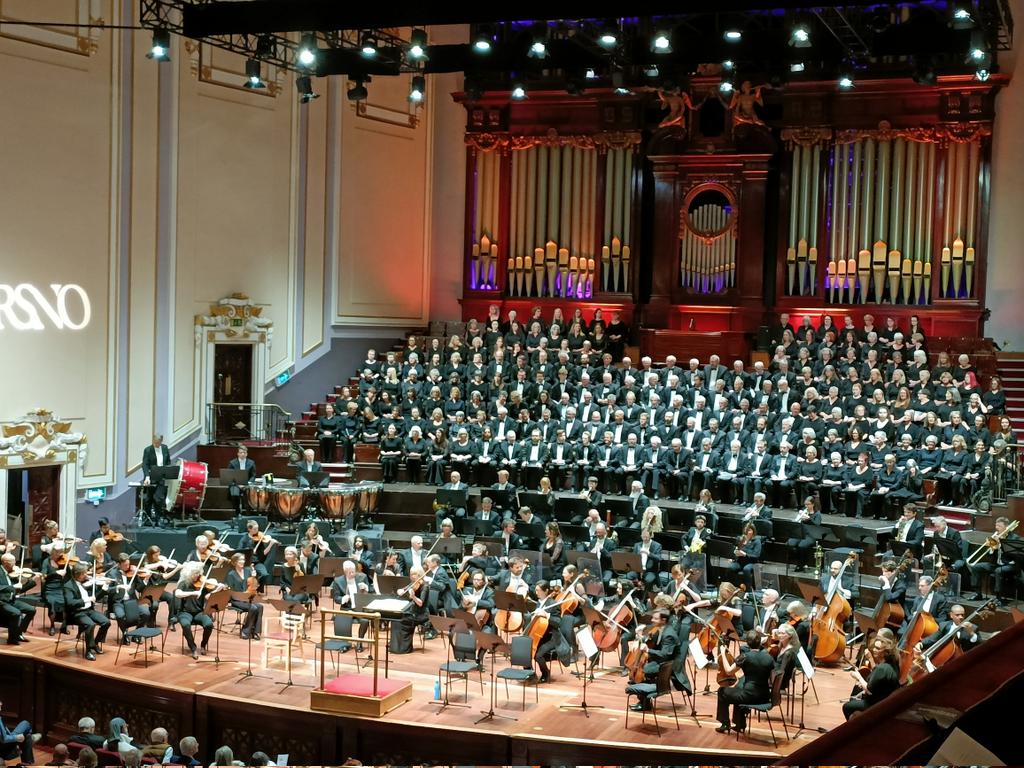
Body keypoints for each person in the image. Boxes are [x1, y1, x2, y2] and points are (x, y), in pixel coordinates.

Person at [714, 630, 776, 733]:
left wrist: (723, 653)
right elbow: (773, 678)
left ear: (747, 643)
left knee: (722, 691)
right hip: (764, 697)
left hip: (749, 697)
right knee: (738, 688)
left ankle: (725, 723)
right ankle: (739, 725)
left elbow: (729, 671)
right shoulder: (769, 657)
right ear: (760, 642)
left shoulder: (745, 656)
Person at [842, 633, 901, 720]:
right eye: (874, 647)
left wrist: (858, 677)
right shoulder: (892, 665)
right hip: (883, 701)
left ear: (885, 653)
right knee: (857, 690)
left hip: (876, 704)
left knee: (847, 707)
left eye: (877, 648)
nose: (874, 650)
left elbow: (869, 690)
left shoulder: (882, 668)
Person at [63, 564, 111, 661]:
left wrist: (104, 588)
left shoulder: (85, 583)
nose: (86, 575)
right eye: (84, 573)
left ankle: (95, 643)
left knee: (106, 622)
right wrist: (86, 599)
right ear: (78, 575)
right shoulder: (68, 586)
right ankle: (88, 651)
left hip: (89, 610)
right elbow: (70, 603)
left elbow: (94, 598)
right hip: (76, 613)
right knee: (90, 625)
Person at [175, 563, 219, 659]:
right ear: (189, 573)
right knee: (185, 625)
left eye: (198, 573)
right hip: (185, 612)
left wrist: (217, 589)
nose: (197, 575)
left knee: (209, 624)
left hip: (199, 612)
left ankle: (203, 645)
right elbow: (177, 594)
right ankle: (193, 647)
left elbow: (207, 597)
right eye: (195, 573)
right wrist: (193, 592)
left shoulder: (202, 584)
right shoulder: (184, 583)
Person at [225, 552, 263, 640]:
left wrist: (254, 576)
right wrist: (242, 597)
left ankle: (256, 631)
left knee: (260, 607)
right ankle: (245, 630)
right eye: (240, 560)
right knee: (253, 608)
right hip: (236, 600)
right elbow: (231, 592)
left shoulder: (248, 570)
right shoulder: (231, 574)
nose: (243, 561)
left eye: (243, 559)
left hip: (248, 598)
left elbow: (253, 584)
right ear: (235, 562)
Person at [142, 434, 172, 525]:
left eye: (158, 443)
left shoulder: (165, 448)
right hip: (150, 478)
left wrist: (167, 471)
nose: (156, 444)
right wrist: (147, 476)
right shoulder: (148, 450)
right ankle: (148, 519)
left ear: (161, 441)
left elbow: (168, 462)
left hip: (161, 478)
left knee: (159, 499)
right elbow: (145, 464)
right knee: (149, 499)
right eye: (155, 442)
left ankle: (158, 519)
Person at [0, 700, 41, 766]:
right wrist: (16, 738)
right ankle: (30, 738)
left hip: (3, 745)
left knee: (26, 731)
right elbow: (4, 739)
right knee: (25, 724)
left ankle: (29, 738)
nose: (0, 708)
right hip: (3, 750)